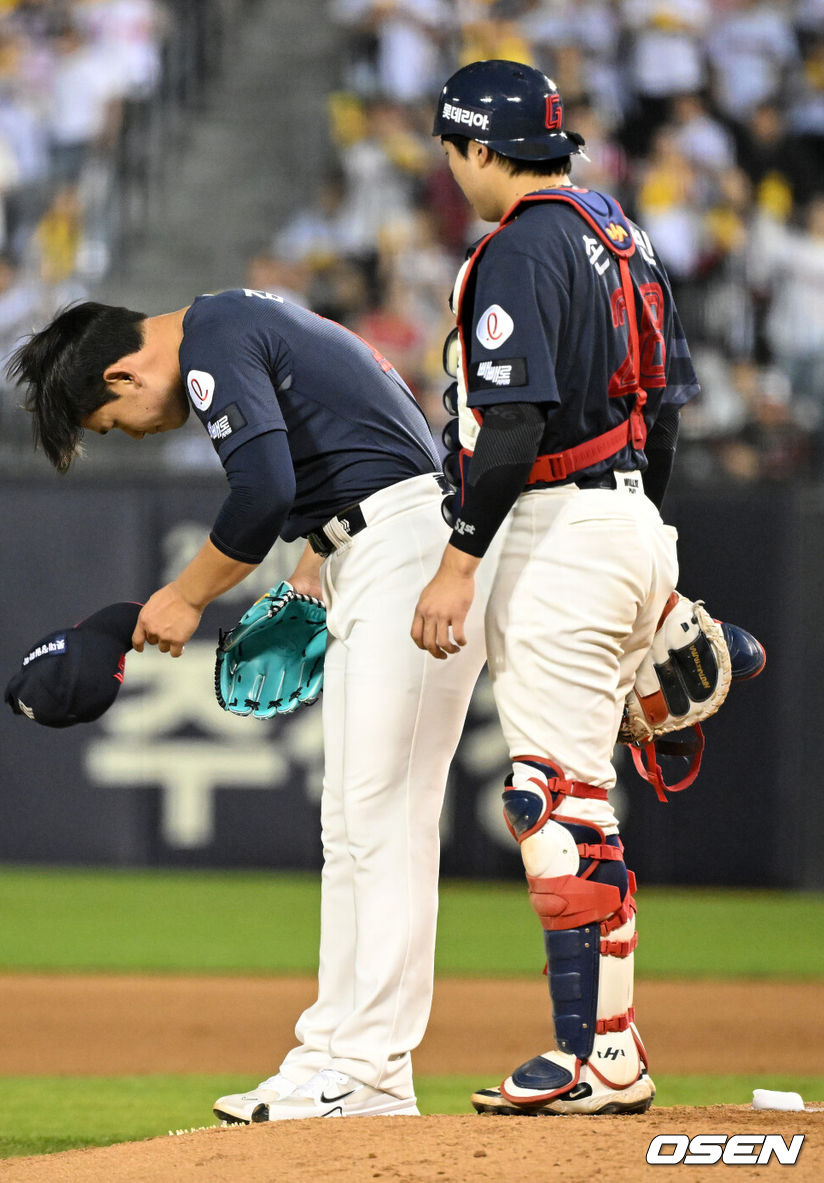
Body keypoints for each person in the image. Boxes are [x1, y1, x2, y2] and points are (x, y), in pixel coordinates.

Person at [6, 288, 505, 1122]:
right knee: (350, 822)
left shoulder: (214, 334)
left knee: (381, 819)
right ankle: (331, 1053)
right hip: (374, 542)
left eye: (113, 421)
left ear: (125, 374)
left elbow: (262, 487)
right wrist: (317, 557)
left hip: (407, 551)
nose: (135, 433)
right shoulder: (237, 320)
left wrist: (187, 595)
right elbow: (369, 435)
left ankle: (373, 1068)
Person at [411, 60, 700, 1116]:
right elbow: (663, 408)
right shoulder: (617, 233)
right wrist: (644, 551)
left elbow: (515, 422)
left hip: (559, 524)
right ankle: (609, 1047)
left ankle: (592, 1057)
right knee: (582, 799)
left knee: (550, 802)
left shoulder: (521, 246)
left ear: (478, 149)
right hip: (627, 514)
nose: (455, 173)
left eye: (454, 153)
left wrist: (457, 560)